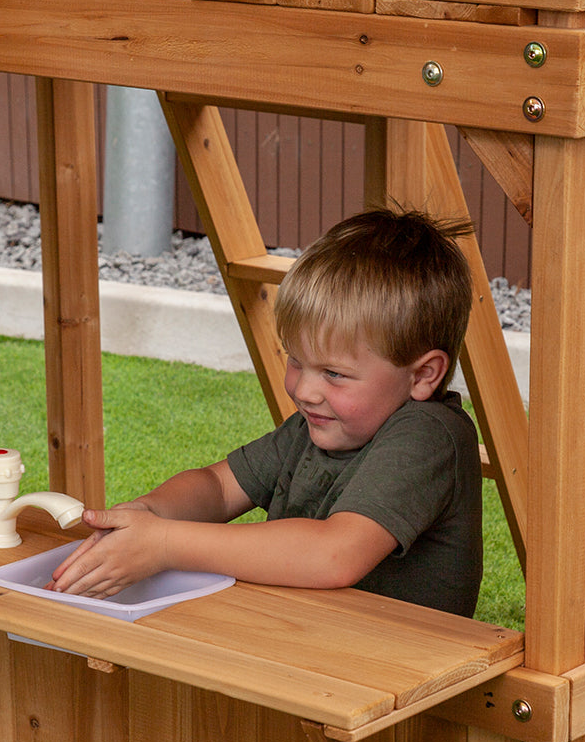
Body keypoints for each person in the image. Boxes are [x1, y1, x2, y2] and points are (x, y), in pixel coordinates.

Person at [50, 207, 483, 617]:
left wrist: (165, 544)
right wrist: (150, 514)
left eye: (334, 373)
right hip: (314, 653)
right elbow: (218, 488)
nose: (304, 390)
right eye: (296, 361)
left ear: (423, 375)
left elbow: (333, 555)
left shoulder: (429, 435)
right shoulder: (315, 428)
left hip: (402, 679)